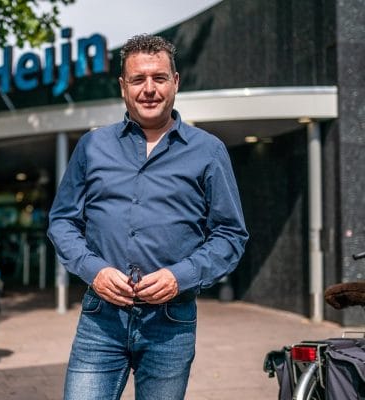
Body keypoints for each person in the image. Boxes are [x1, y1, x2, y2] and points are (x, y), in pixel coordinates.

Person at [47, 34, 249, 399]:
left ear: (176, 81)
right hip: (100, 318)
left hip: (171, 322)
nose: (149, 89)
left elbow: (230, 235)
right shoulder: (92, 146)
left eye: (159, 78)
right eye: (138, 79)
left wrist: (180, 276)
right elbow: (62, 222)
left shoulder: (209, 151)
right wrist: (94, 270)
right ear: (123, 87)